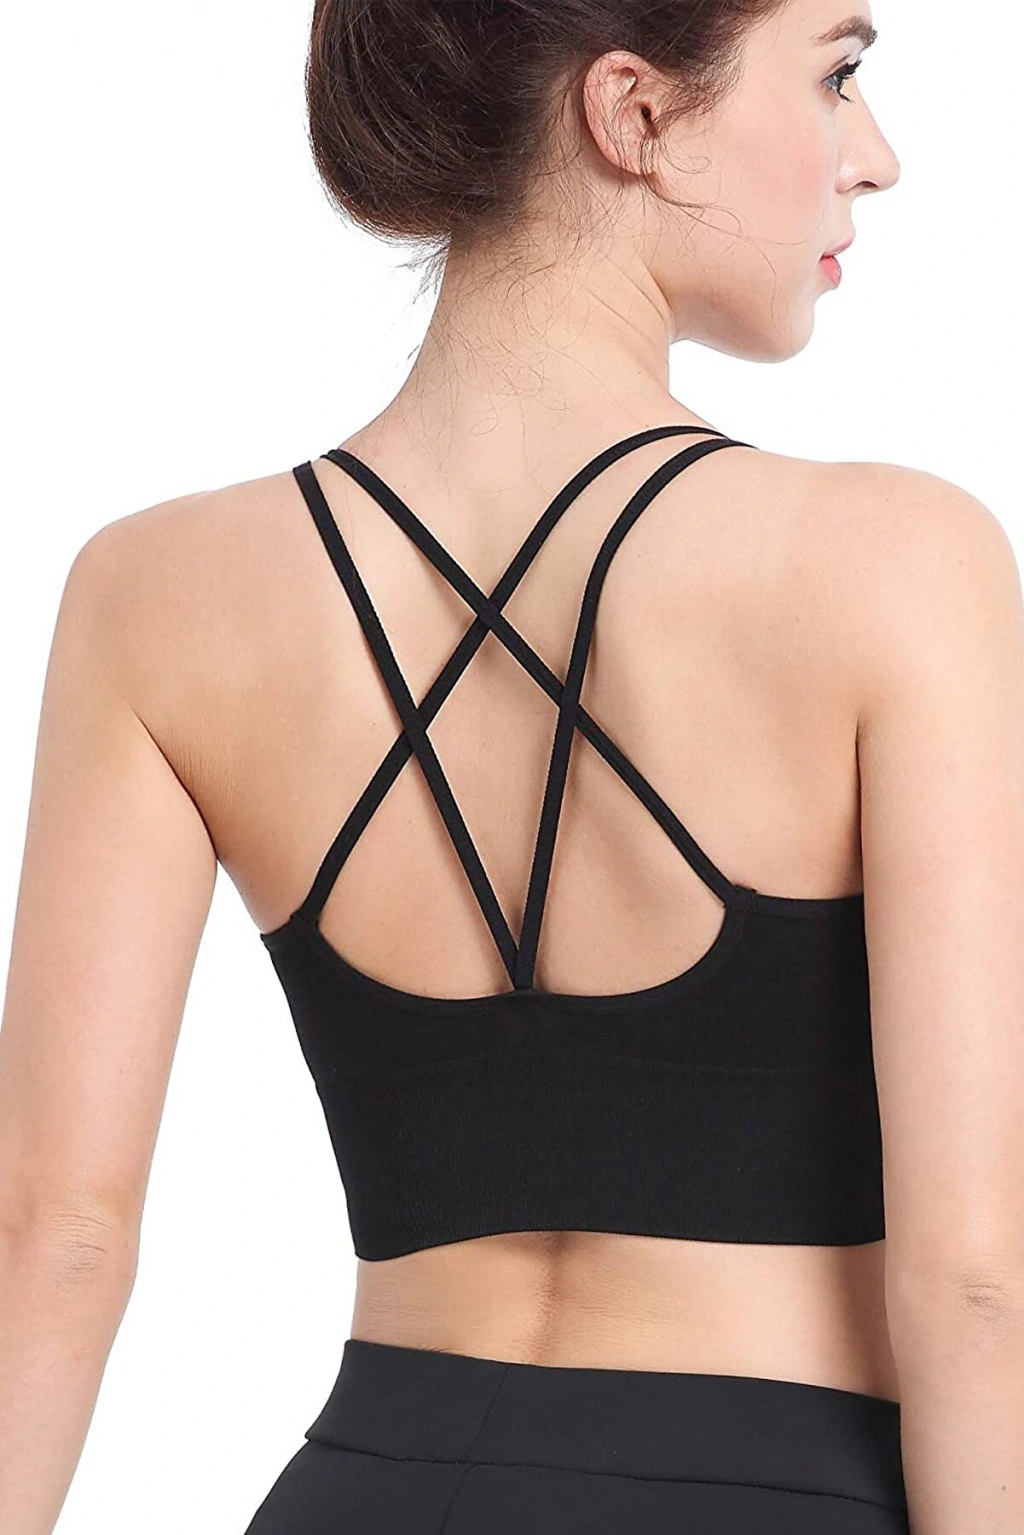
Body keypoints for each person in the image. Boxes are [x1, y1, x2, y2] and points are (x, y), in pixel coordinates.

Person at [2, 0, 1023, 1530]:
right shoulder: (899, 563)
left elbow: (53, 1237)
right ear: (634, 114)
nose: (874, 156)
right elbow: (976, 1280)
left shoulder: (154, 595)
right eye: (839, 73)